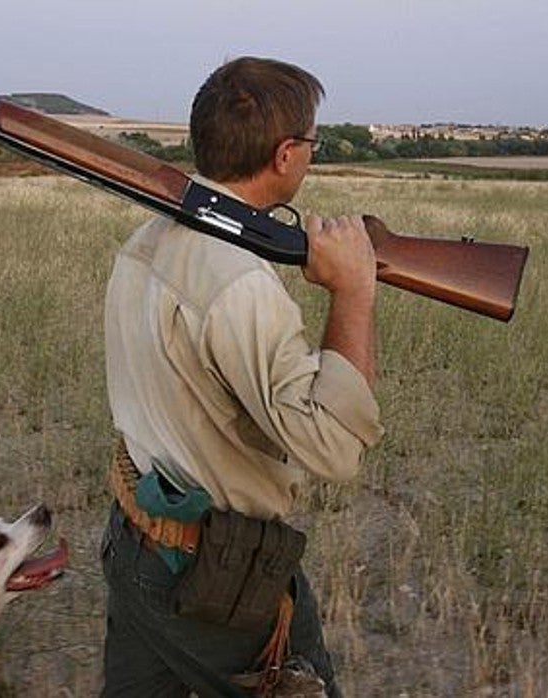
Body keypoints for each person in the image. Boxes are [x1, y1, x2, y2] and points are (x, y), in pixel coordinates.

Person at [100, 56, 382, 697]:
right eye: (312, 143)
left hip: (135, 538)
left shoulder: (145, 240)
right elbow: (334, 449)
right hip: (218, 576)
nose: (311, 155)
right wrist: (355, 291)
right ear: (286, 154)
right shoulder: (240, 284)